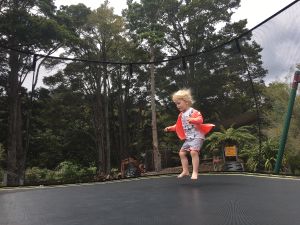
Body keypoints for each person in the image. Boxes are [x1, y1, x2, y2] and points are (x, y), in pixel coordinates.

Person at [164, 89, 214, 180]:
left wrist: (192, 120)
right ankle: (185, 170)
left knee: (193, 152)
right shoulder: (181, 115)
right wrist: (170, 128)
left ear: (186, 102)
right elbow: (178, 126)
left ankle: (195, 172)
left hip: (197, 136)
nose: (177, 106)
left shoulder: (193, 111)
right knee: (182, 153)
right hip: (189, 138)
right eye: (176, 104)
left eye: (178, 103)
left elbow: (200, 120)